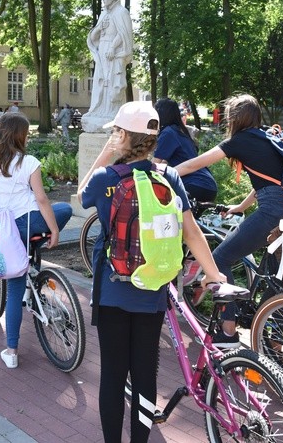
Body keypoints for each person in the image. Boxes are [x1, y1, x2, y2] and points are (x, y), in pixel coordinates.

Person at [77, 101, 225, 442]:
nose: (113, 136)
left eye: (116, 131)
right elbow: (191, 232)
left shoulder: (105, 179)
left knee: (113, 375)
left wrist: (106, 153)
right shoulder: (168, 176)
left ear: (125, 136)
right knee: (145, 374)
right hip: (154, 287)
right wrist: (214, 273)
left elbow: (83, 193)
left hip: (112, 288)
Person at [175, 94, 283, 348]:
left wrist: (165, 173)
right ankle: (274, 341)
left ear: (234, 119)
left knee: (220, 259)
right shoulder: (268, 136)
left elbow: (195, 164)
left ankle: (228, 331)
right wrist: (242, 207)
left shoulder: (240, 141)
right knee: (277, 276)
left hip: (273, 213)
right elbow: (270, 180)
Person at [0, 112, 73, 369]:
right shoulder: (29, 161)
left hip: (6, 232)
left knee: (14, 291)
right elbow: (42, 200)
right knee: (64, 208)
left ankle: (11, 350)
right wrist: (54, 230)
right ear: (20, 136)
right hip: (32, 223)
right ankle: (34, 250)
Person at [82, 0, 134, 133]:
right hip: (102, 51)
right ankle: (98, 110)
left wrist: (113, 47)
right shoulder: (104, 14)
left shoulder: (122, 12)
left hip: (114, 52)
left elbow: (124, 34)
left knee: (112, 82)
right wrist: (98, 29)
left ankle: (111, 111)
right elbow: (93, 38)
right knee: (100, 80)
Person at [153, 97, 218, 203]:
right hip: (208, 185)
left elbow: (154, 166)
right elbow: (163, 164)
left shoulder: (168, 133)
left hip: (194, 184)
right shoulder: (179, 131)